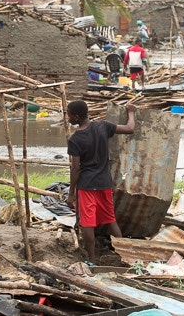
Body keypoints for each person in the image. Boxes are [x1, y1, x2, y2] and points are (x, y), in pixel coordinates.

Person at [65, 100, 136, 264]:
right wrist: (131, 112)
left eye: (69, 115)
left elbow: (76, 169)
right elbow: (129, 128)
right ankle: (126, 256)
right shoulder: (102, 126)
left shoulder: (75, 139)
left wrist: (71, 194)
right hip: (104, 183)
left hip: (87, 185)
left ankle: (91, 260)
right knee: (110, 220)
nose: (68, 118)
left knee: (87, 222)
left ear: (76, 117)